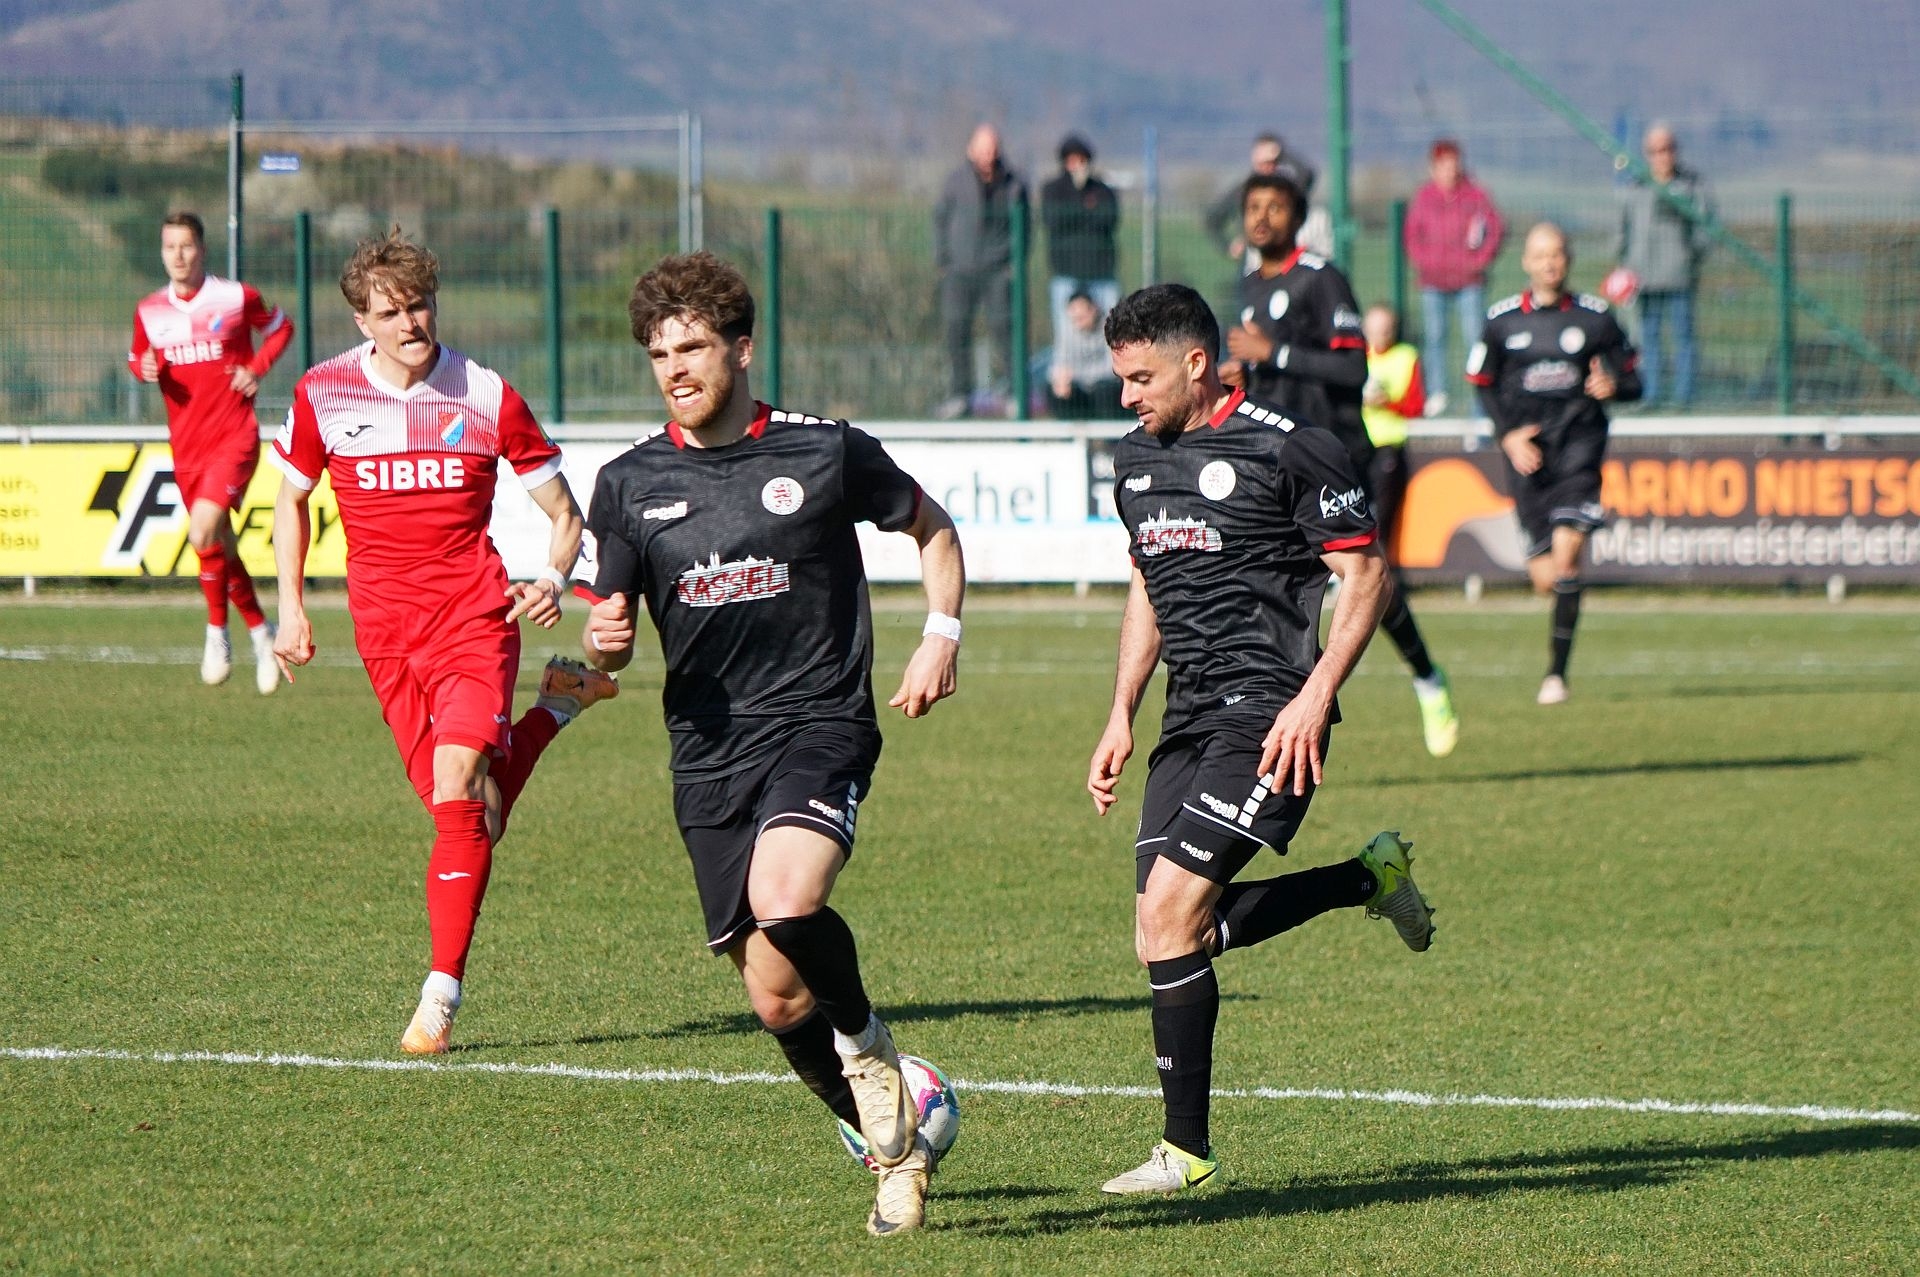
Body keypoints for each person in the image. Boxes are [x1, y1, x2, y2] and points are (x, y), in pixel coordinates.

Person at [576, 251, 966, 1237]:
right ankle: (894, 1147)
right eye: (659, 353)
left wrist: (940, 633)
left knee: (787, 898)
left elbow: (933, 528)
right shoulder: (627, 482)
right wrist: (604, 635)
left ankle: (871, 1054)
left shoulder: (825, 452)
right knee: (776, 997)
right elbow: (607, 631)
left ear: (741, 348)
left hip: (818, 721)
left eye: (693, 346)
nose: (675, 368)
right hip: (709, 755)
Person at [1087, 283, 1435, 1195]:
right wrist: (1122, 709)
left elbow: (1366, 575)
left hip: (1272, 715)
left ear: (1197, 363)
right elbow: (1146, 585)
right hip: (1187, 718)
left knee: (1172, 914)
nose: (1127, 396)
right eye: (1121, 379)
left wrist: (1316, 696)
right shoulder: (1134, 459)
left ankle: (1186, 1152)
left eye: (1141, 378)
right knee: (1164, 934)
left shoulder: (1289, 447)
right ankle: (1369, 878)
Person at [269, 228, 617, 1054]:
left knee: (459, 785)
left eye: (420, 306)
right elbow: (290, 501)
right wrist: (290, 607)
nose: (410, 324)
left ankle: (439, 998)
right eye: (390, 312)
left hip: (473, 619)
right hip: (384, 632)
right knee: (469, 817)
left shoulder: (486, 394)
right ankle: (558, 707)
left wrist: (552, 578)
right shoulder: (323, 393)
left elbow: (566, 515)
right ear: (362, 321)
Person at [1222, 174, 1460, 757]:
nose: (1261, 217)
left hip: (1335, 457)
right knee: (1269, 583)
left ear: (1297, 217)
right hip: (1274, 463)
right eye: (1253, 207)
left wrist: (1273, 353)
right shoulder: (1248, 285)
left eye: (1275, 207)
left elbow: (1354, 371)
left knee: (1367, 580)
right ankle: (1268, 715)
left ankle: (1428, 679)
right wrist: (1243, 375)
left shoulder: (1321, 278)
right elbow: (1268, 374)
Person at [1467, 222, 1641, 704]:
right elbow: (1481, 383)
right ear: (1526, 262)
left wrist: (1614, 387)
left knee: (1567, 558)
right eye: (1541, 255)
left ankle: (1556, 676)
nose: (1549, 263)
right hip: (1528, 461)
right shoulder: (1501, 321)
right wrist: (1507, 436)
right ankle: (1561, 630)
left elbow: (1634, 381)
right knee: (1547, 578)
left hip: (1579, 450)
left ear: (1568, 260)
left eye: (1557, 254)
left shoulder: (1596, 319)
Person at [128, 211, 294, 693]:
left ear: (201, 249)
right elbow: (137, 358)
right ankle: (261, 633)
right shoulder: (149, 310)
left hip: (234, 436)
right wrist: (144, 369)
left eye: (186, 246)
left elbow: (281, 327)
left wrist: (257, 368)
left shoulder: (235, 297)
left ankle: (216, 633)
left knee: (201, 531)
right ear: (162, 253)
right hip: (187, 446)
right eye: (169, 247)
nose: (178, 255)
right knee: (220, 542)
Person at [933, 123, 1028, 419]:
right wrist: (943, 261)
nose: (988, 156)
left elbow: (1024, 226)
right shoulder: (955, 182)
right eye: (983, 150)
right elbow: (940, 220)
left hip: (998, 270)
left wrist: (1014, 262)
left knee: (1006, 329)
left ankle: (1016, 393)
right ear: (971, 150)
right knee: (956, 329)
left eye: (993, 150)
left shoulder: (1013, 183)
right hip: (959, 270)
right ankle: (960, 396)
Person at [1403, 140, 1504, 418]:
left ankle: (1480, 401)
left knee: (1476, 339)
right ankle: (1437, 394)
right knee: (1435, 337)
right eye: (1443, 165)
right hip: (1433, 281)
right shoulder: (1424, 197)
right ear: (1433, 167)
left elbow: (1494, 229)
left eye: (1453, 164)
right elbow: (1412, 235)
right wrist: (1425, 263)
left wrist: (1479, 261)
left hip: (1469, 280)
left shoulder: (1476, 195)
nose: (1450, 170)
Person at [1614, 123, 1712, 408]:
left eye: (1667, 149)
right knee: (1648, 337)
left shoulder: (1690, 185)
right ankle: (1652, 393)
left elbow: (1705, 227)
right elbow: (1623, 228)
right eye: (1655, 151)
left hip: (1679, 275)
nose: (1662, 156)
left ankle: (1685, 396)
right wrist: (1624, 263)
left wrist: (1690, 256)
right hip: (1643, 276)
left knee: (1683, 335)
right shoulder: (1636, 186)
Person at [1040, 134, 1121, 345]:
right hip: (1066, 271)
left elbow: (1109, 219)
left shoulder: (1102, 190)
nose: (1077, 165)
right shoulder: (1053, 190)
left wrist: (1075, 215)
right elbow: (1053, 221)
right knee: (1067, 336)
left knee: (1108, 334)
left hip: (1100, 272)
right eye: (1071, 160)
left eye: (1081, 160)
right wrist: (1084, 206)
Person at [1203, 133, 1326, 268]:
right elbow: (1212, 219)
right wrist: (1228, 246)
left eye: (1273, 162)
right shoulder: (1243, 190)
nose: (1269, 167)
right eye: (1264, 162)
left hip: (1284, 259)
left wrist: (1282, 154)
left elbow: (1307, 174)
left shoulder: (1286, 191)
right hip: (1253, 261)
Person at [1361, 304, 1425, 557]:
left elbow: (1416, 406)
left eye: (1386, 330)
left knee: (1382, 512)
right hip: (1355, 443)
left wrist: (1386, 403)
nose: (1380, 336)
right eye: (1375, 330)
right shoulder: (1353, 357)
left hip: (1388, 443)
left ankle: (1380, 565)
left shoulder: (1406, 357)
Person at [1048, 291, 1124, 420]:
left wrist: (1076, 375)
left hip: (1105, 389)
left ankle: (1109, 430)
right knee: (1055, 389)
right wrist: (1059, 378)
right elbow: (1060, 363)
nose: (1078, 321)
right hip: (1081, 390)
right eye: (1075, 318)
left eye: (1082, 317)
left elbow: (1112, 367)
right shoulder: (1067, 332)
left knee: (1104, 389)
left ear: (1093, 309)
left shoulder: (1109, 327)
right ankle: (1069, 428)